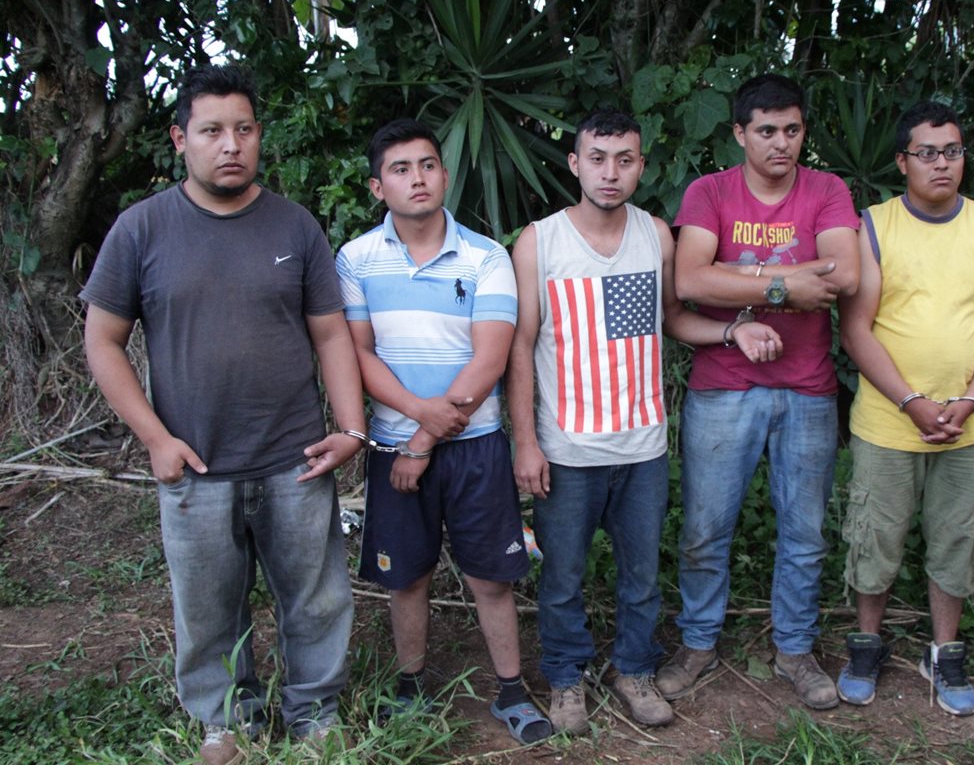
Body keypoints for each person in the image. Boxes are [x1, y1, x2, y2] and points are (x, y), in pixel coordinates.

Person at [81, 65, 364, 764]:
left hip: (293, 455)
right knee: (207, 608)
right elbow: (103, 340)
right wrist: (155, 440)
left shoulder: (294, 225)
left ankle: (314, 713)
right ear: (181, 139)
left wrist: (351, 427)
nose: (229, 144)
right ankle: (224, 721)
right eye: (211, 131)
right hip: (195, 461)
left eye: (243, 129)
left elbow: (331, 332)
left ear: (259, 136)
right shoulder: (142, 228)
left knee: (316, 600)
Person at [506, 109, 782, 733]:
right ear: (574, 163)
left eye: (624, 159)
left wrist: (731, 330)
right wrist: (526, 442)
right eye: (597, 159)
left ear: (641, 165)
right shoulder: (539, 241)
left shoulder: (656, 234)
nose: (611, 172)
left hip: (642, 445)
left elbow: (673, 321)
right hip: (569, 447)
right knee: (563, 577)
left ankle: (633, 669)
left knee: (640, 574)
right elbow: (521, 345)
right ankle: (567, 679)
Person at [335, 118, 551, 744]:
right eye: (400, 169)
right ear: (378, 187)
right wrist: (414, 422)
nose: (417, 178)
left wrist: (425, 437)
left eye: (427, 165)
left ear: (445, 174)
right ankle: (410, 688)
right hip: (392, 445)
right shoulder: (355, 258)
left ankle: (511, 692)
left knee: (491, 577)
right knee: (407, 576)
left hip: (474, 445)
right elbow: (358, 354)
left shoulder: (487, 256)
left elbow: (489, 360)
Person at [659, 73, 860, 709]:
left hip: (807, 390)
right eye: (767, 131)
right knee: (704, 530)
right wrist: (782, 287)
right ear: (740, 133)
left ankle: (795, 650)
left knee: (804, 534)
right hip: (724, 388)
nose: (781, 143)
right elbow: (690, 280)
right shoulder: (708, 191)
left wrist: (740, 275)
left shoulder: (826, 189)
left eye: (793, 130)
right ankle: (697, 643)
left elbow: (844, 274)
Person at [836, 100, 974, 716]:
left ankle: (944, 651)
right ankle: (867, 643)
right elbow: (856, 327)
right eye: (927, 153)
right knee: (875, 536)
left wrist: (968, 402)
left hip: (968, 425)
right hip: (889, 421)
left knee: (957, 537)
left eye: (952, 151)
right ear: (902, 161)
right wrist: (913, 401)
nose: (941, 163)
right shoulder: (873, 226)